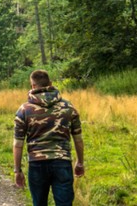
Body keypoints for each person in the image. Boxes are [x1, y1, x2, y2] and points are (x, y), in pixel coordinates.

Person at [12, 70, 85, 206]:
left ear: (32, 86)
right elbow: (78, 139)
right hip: (62, 162)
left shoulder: (24, 110)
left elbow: (18, 144)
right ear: (50, 84)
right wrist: (80, 162)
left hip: (37, 163)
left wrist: (17, 170)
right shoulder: (68, 107)